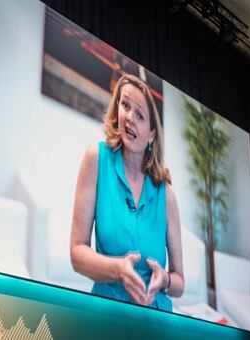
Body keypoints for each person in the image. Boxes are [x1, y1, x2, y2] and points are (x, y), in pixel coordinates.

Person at [70, 74, 184, 311]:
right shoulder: (96, 159)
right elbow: (77, 253)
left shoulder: (167, 195)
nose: (130, 118)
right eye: (125, 105)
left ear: (152, 134)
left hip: (154, 314)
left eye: (140, 115)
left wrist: (165, 279)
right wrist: (118, 269)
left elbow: (179, 283)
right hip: (106, 311)